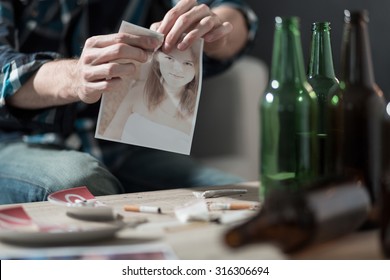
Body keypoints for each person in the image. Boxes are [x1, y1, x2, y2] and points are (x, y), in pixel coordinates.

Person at [0, 0, 258, 205]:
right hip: (14, 143)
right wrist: (75, 76)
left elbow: (235, 14)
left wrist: (216, 32)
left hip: (124, 149)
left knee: (246, 199)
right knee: (80, 180)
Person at [100, 39, 202, 154]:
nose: (177, 69)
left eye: (188, 63)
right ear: (158, 62)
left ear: (197, 70)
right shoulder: (137, 93)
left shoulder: (196, 113)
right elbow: (111, 134)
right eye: (170, 58)